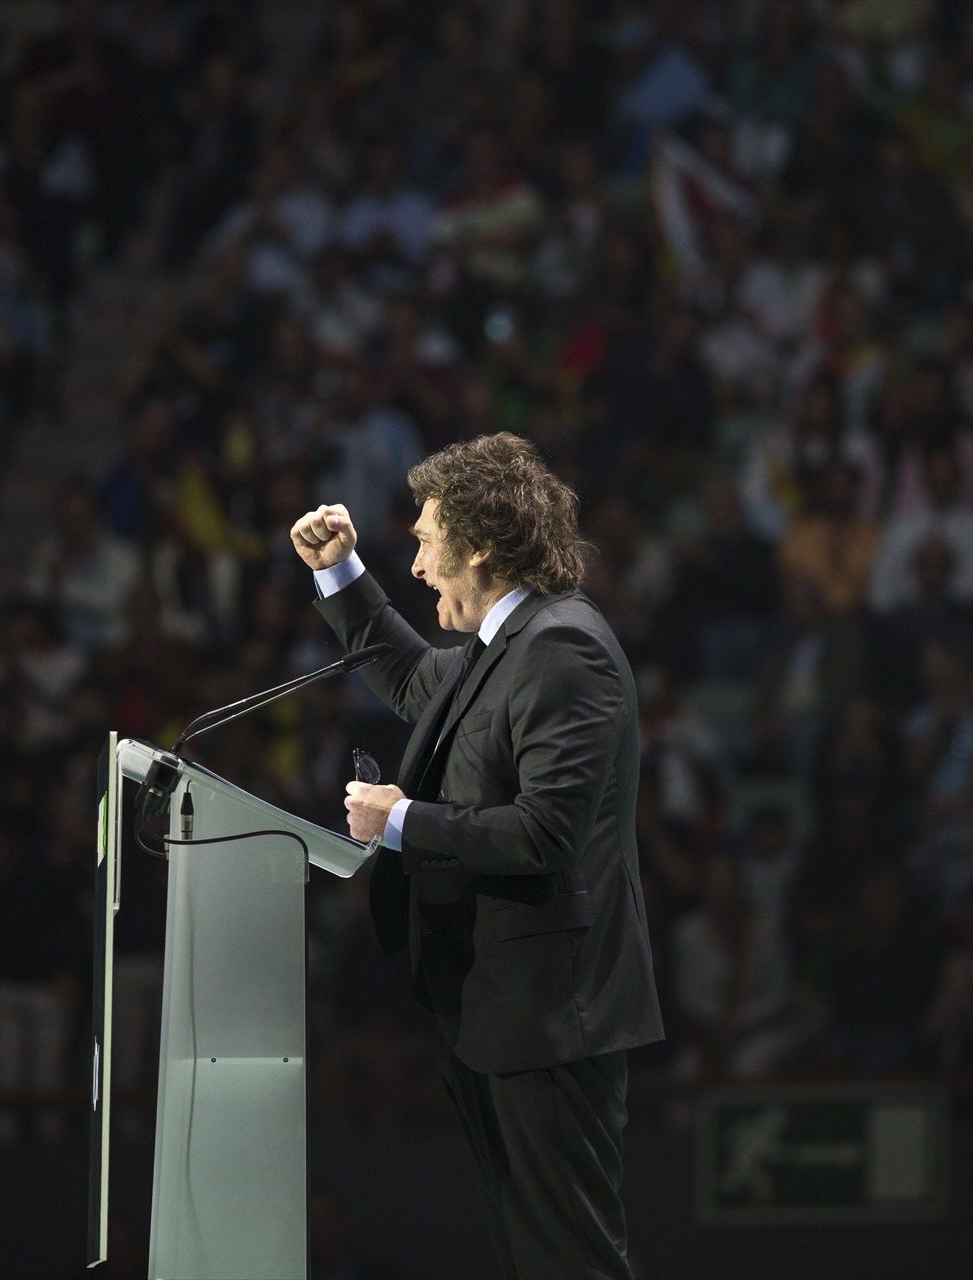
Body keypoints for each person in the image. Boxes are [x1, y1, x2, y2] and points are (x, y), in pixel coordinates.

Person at [291, 432, 662, 1279]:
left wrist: (403, 820)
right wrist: (341, 574)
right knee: (538, 1257)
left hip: (551, 1020)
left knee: (570, 1261)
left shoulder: (563, 647)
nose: (417, 566)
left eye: (425, 541)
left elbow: (545, 833)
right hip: (502, 1015)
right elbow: (417, 679)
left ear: (480, 546)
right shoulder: (508, 644)